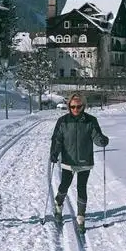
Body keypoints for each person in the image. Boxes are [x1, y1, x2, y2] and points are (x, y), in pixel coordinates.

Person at [49, 92, 109, 233]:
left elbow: (96, 136)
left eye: (78, 106)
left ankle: (81, 217)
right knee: (65, 185)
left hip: (84, 160)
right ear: (69, 106)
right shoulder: (63, 121)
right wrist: (54, 153)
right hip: (68, 160)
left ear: (84, 106)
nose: (75, 109)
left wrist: (102, 141)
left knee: (82, 188)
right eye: (72, 106)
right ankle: (58, 205)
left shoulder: (91, 120)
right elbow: (57, 139)